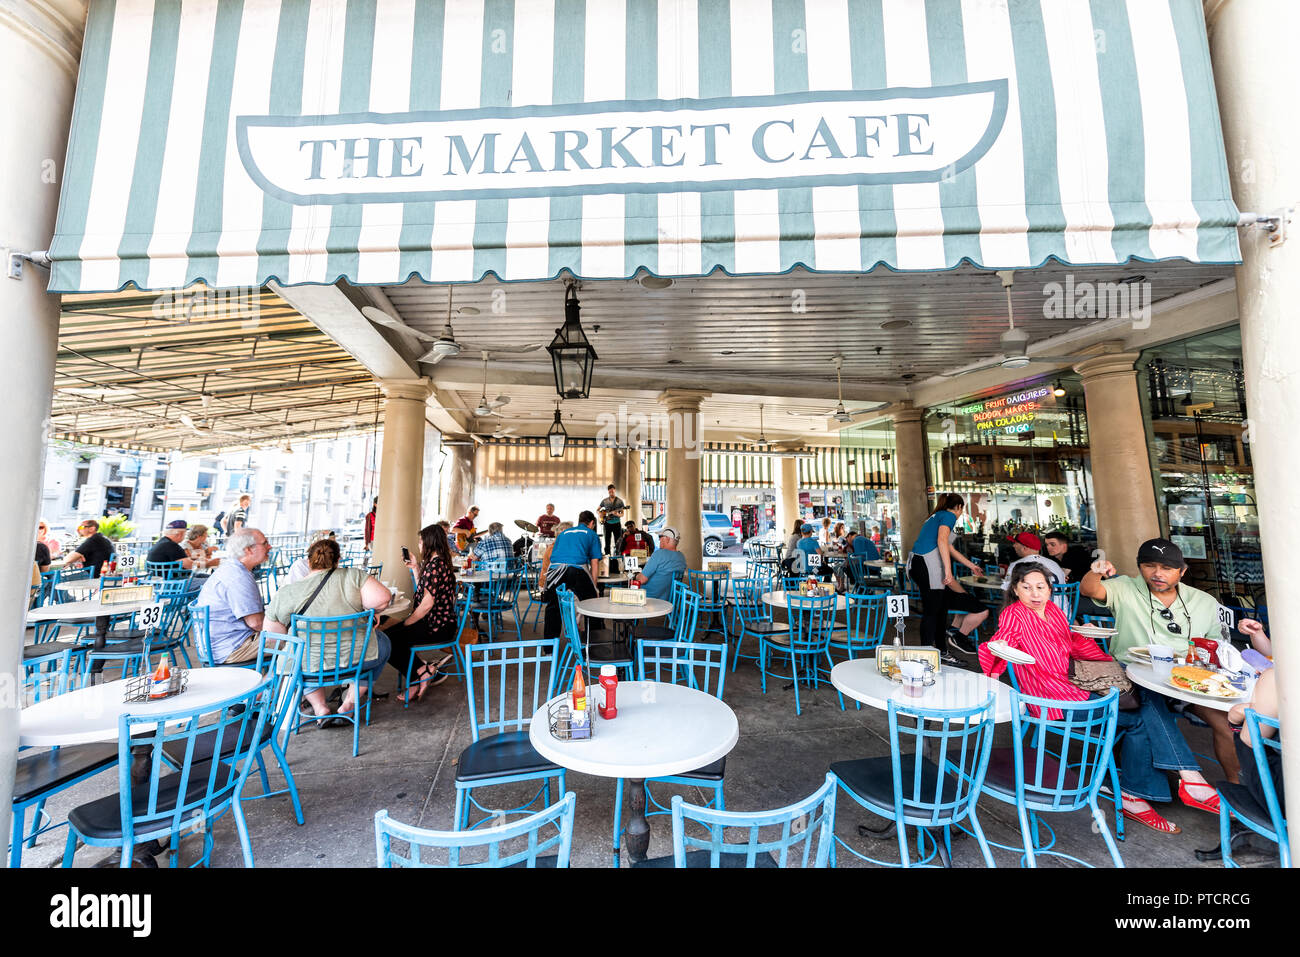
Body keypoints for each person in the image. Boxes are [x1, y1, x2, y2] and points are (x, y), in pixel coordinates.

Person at [979, 562, 1219, 835]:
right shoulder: (1014, 614)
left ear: (1050, 589)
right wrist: (997, 652)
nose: (1034, 594)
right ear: (1015, 590)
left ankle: (1154, 788)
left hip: (1076, 683)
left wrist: (1098, 650)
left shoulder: (1054, 611)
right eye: (1026, 587)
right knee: (1140, 718)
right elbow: (1000, 642)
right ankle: (1166, 785)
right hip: (1052, 700)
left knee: (1146, 702)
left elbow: (1073, 643)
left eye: (1040, 587)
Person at [1081, 537, 1238, 795]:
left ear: (1182, 571)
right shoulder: (1125, 588)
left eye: (1167, 568)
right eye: (1149, 565)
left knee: (1226, 722)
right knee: (1146, 699)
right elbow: (1090, 590)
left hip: (1186, 681)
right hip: (1133, 675)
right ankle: (1188, 780)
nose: (1157, 573)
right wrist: (1095, 571)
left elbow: (1216, 647)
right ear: (1139, 567)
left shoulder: (1204, 602)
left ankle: (1235, 789)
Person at [265, 538, 392, 724]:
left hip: (308, 666)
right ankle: (350, 702)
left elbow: (273, 636)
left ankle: (320, 707)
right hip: (355, 661)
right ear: (338, 559)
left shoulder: (288, 591)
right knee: (383, 643)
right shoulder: (353, 576)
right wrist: (368, 612)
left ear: (308, 561)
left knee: (298, 657)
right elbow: (383, 599)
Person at [380, 524, 458, 703]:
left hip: (437, 625)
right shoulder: (436, 563)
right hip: (440, 622)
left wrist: (408, 622)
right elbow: (425, 592)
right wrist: (415, 568)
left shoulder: (435, 566)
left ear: (429, 542)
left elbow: (426, 605)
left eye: (421, 541)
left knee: (388, 640)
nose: (419, 545)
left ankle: (419, 676)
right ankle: (424, 671)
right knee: (390, 636)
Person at [907, 493, 988, 662]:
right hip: (928, 564)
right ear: (958, 507)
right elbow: (942, 540)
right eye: (962, 510)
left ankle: (940, 652)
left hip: (918, 563)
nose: (960, 514)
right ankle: (927, 655)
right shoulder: (949, 515)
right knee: (932, 611)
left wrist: (971, 566)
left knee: (940, 609)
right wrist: (948, 571)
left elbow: (950, 548)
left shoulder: (935, 516)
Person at [194, 527, 271, 664]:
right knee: (301, 640)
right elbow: (256, 623)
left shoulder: (231, 568)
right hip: (231, 648)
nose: (270, 547)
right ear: (249, 549)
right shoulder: (238, 576)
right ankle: (270, 683)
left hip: (216, 646)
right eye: (265, 543)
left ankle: (271, 680)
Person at [1227, 666, 1283, 815]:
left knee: (1248, 738)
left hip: (1287, 802)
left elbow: (1251, 740)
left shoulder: (1279, 676)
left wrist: (1236, 720)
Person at [543, 510, 603, 639]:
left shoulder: (563, 533)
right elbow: (594, 563)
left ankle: (549, 649)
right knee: (592, 604)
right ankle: (595, 642)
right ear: (592, 523)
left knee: (553, 607)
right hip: (576, 569)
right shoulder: (591, 534)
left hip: (554, 571)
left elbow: (556, 556)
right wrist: (595, 587)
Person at [1001, 531, 1067, 613]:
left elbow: (1007, 591)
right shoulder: (1054, 564)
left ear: (1024, 548)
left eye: (1016, 543)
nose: (1013, 546)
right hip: (1063, 614)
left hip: (1037, 617)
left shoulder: (1017, 565)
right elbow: (1065, 588)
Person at [635, 527, 687, 602]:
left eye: (660, 537)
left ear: (667, 539)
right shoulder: (681, 557)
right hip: (669, 601)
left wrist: (636, 575)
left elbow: (642, 580)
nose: (659, 539)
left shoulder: (659, 554)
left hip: (648, 598)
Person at [598, 485, 626, 555]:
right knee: (607, 541)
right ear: (608, 492)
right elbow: (597, 510)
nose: (611, 493)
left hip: (616, 523)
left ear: (615, 490)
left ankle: (617, 555)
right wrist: (600, 514)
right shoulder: (604, 501)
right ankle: (607, 555)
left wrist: (617, 514)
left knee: (618, 541)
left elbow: (622, 514)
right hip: (607, 523)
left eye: (612, 492)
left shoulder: (619, 501)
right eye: (610, 492)